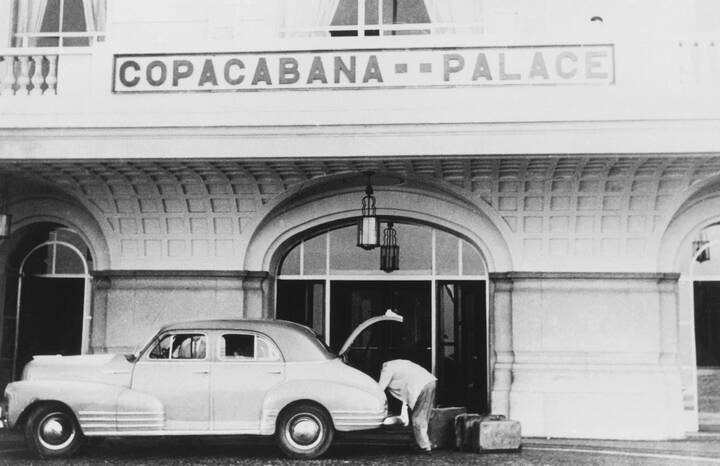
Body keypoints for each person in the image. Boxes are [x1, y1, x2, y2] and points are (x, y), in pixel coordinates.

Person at [378, 359, 437, 453]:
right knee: (424, 416)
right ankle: (419, 442)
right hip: (430, 381)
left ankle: (425, 447)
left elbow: (380, 389)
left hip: (420, 386)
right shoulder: (398, 363)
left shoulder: (387, 369)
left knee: (418, 417)